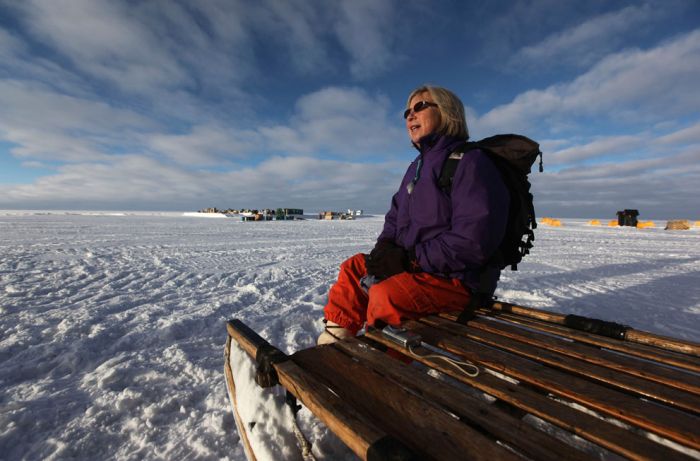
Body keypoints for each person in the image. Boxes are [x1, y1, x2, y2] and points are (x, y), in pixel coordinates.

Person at [317, 85, 510, 345]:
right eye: (407, 111)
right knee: (354, 268)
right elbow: (394, 218)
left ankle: (377, 370)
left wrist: (410, 260)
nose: (410, 115)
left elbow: (473, 241)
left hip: (455, 279)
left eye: (420, 107)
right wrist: (384, 249)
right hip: (415, 269)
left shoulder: (470, 161)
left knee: (387, 295)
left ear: (447, 113)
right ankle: (332, 346)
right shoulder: (416, 167)